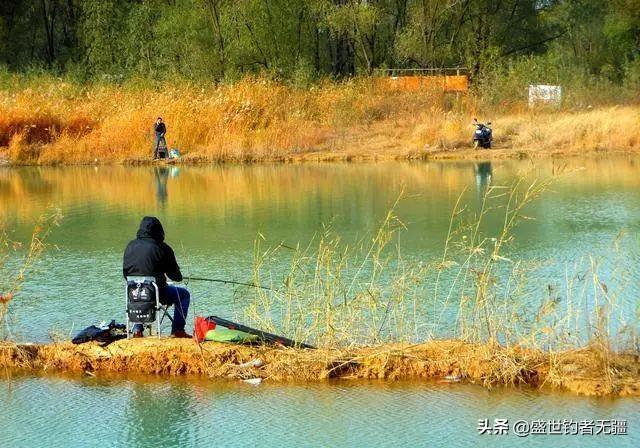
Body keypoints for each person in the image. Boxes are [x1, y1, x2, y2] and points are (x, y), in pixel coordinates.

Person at [123, 216, 191, 338]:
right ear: (159, 230)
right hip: (157, 293)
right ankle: (178, 330)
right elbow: (176, 277)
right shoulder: (163, 248)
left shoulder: (130, 246)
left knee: (138, 291)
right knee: (184, 294)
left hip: (133, 294)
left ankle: (137, 331)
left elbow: (125, 275)